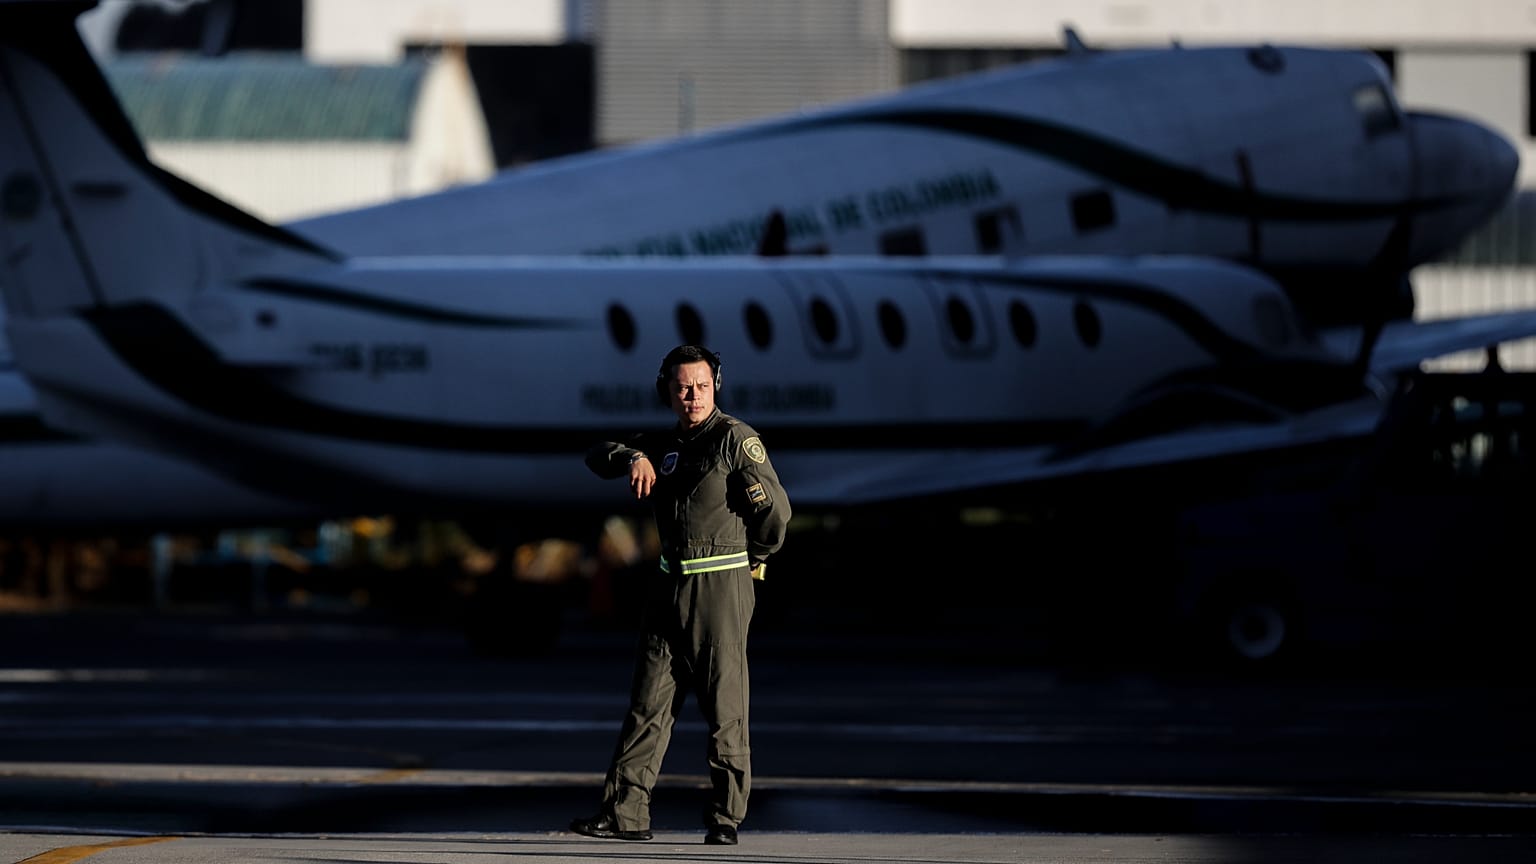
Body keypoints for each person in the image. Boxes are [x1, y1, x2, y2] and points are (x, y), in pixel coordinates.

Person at [570, 344, 791, 846]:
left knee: (724, 706)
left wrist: (751, 558)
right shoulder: (664, 443)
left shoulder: (735, 440)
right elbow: (595, 455)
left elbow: (776, 516)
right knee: (648, 703)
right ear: (666, 391)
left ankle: (725, 817)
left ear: (716, 387)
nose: (693, 396)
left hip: (721, 584)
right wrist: (634, 456)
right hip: (669, 583)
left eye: (702, 386)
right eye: (682, 387)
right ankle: (626, 812)